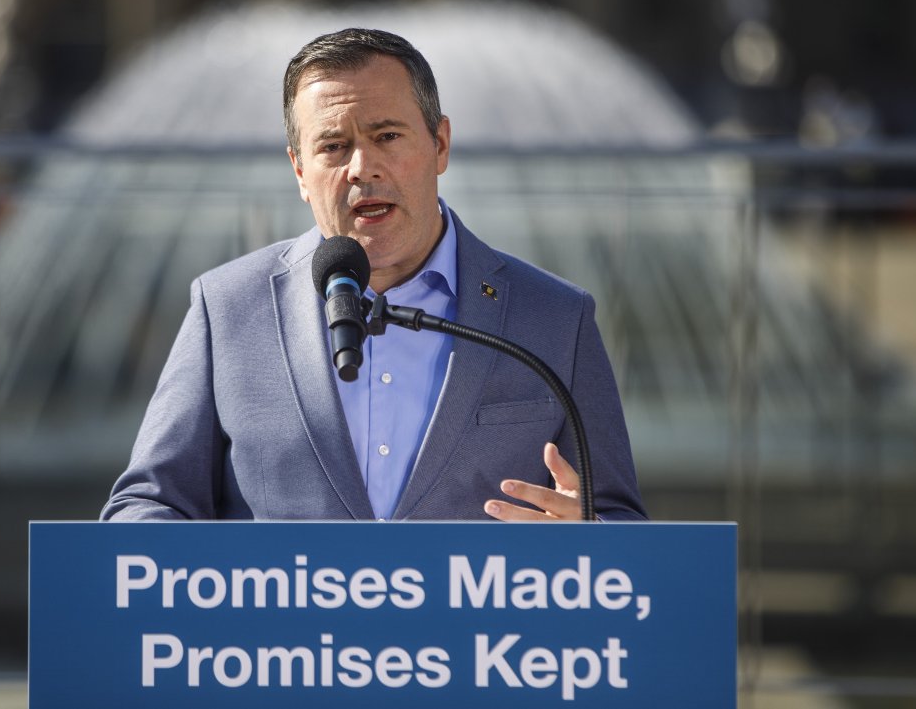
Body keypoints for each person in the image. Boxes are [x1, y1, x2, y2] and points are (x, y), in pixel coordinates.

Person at [101, 28, 645, 523]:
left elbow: (623, 527)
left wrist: (588, 536)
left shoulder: (554, 317)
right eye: (334, 146)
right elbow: (146, 503)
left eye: (387, 136)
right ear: (299, 171)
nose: (362, 167)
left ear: (440, 145)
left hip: (478, 633)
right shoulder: (226, 307)